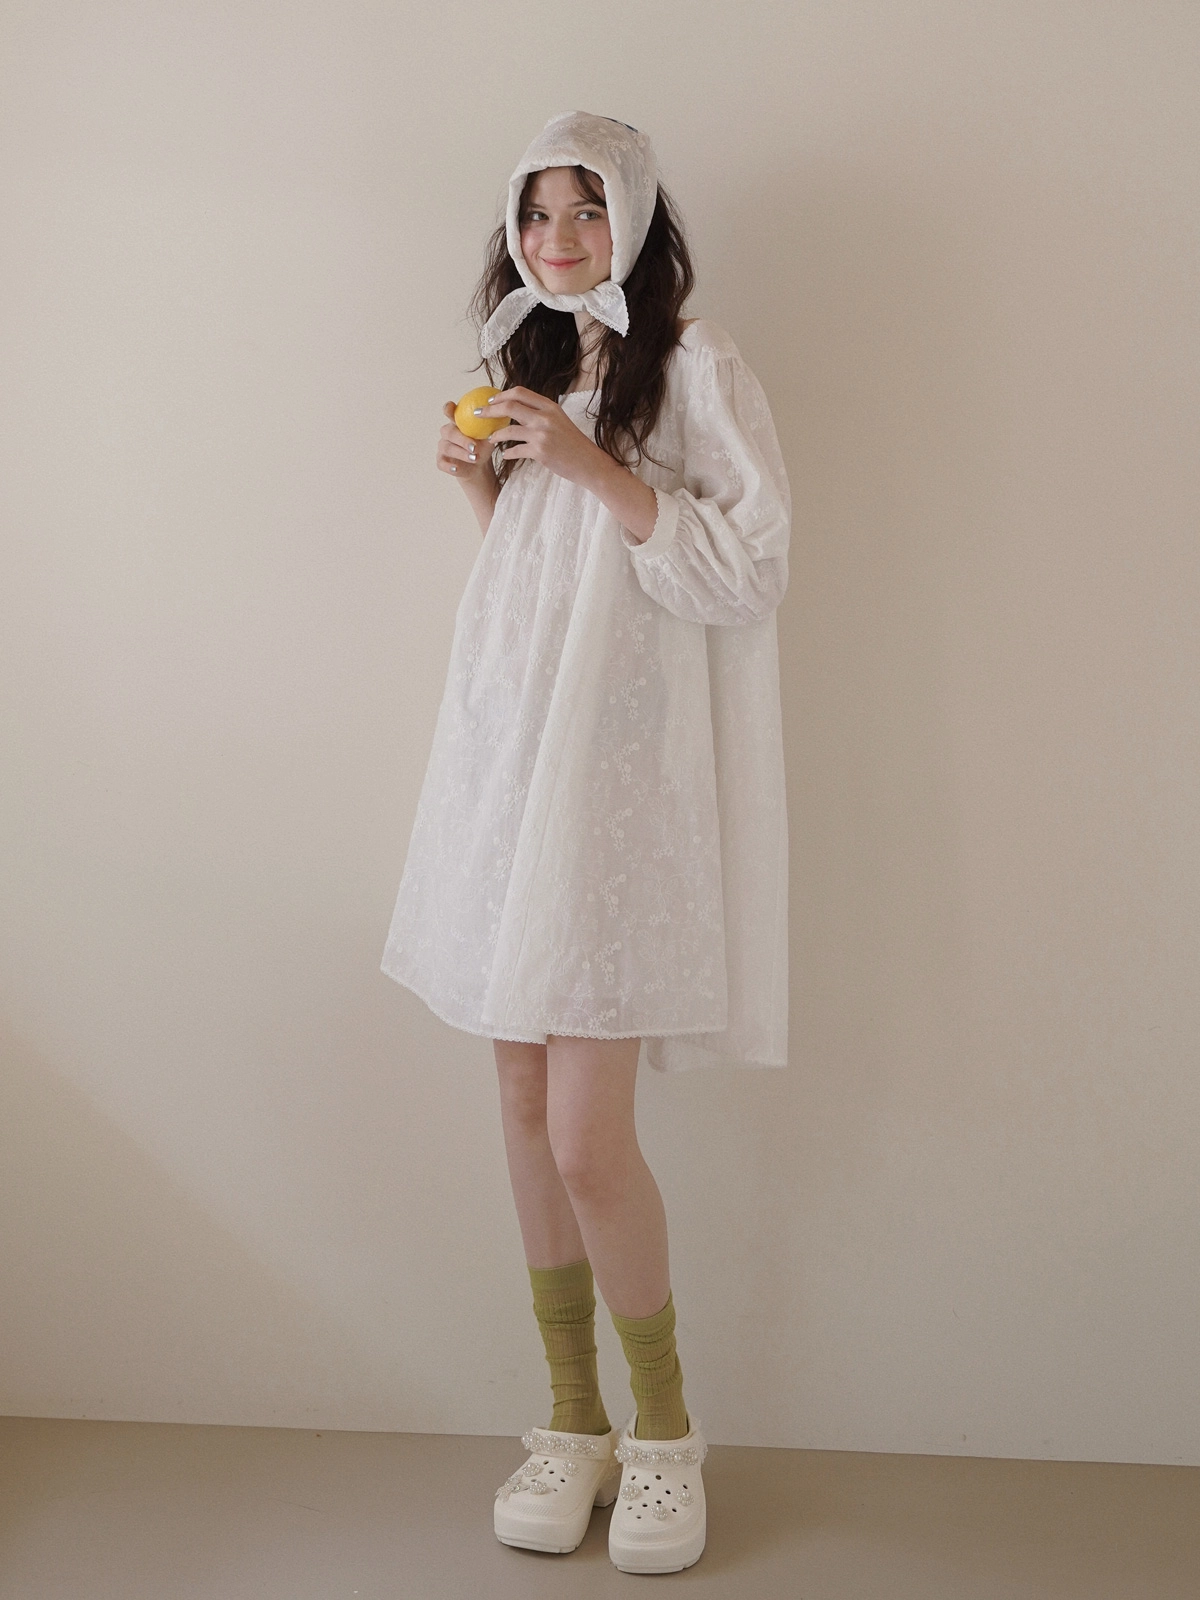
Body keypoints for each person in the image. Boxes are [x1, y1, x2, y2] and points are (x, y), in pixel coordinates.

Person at [380, 111, 791, 1575]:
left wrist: (591, 465)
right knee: (516, 1099)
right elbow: (536, 592)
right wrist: (487, 480)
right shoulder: (534, 370)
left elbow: (748, 568)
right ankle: (573, 1420)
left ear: (637, 220)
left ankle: (666, 1433)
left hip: (615, 802)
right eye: (538, 214)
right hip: (509, 773)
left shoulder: (692, 365)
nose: (558, 239)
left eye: (587, 211)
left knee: (586, 1136)